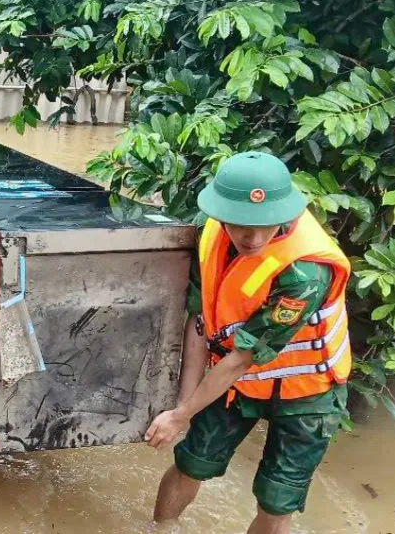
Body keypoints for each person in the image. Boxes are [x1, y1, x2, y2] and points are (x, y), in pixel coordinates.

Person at [145, 152, 352, 534]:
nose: (252, 237)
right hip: (237, 383)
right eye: (240, 223)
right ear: (221, 213)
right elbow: (200, 322)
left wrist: (182, 415)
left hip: (307, 394)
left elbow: (242, 357)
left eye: (264, 224)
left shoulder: (304, 272)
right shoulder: (209, 235)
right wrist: (183, 406)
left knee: (276, 500)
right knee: (190, 462)